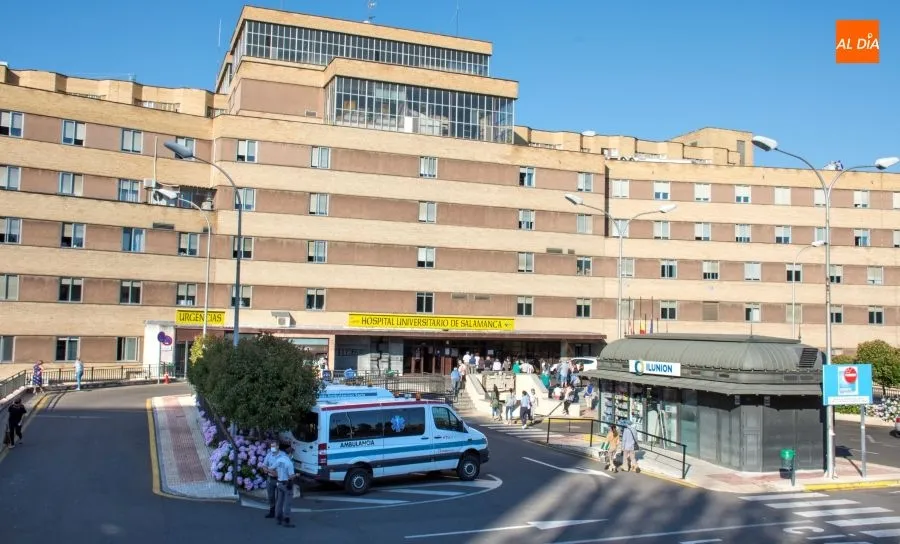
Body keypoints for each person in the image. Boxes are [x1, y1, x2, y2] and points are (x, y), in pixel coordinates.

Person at [273, 442, 297, 527]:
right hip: (287, 484)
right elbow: (291, 477)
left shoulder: (278, 460)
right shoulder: (289, 463)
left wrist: (278, 475)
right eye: (292, 453)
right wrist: (296, 475)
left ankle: (278, 518)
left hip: (279, 483)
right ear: (289, 453)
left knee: (279, 502)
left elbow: (272, 470)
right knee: (287, 503)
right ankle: (286, 520)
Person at [262, 441, 280, 519]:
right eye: (271, 446)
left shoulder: (282, 456)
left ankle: (280, 513)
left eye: (274, 446)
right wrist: (270, 471)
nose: (272, 448)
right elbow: (264, 466)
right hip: (270, 479)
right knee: (271, 496)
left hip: (280, 480)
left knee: (280, 497)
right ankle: (272, 512)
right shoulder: (269, 455)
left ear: (278, 447)